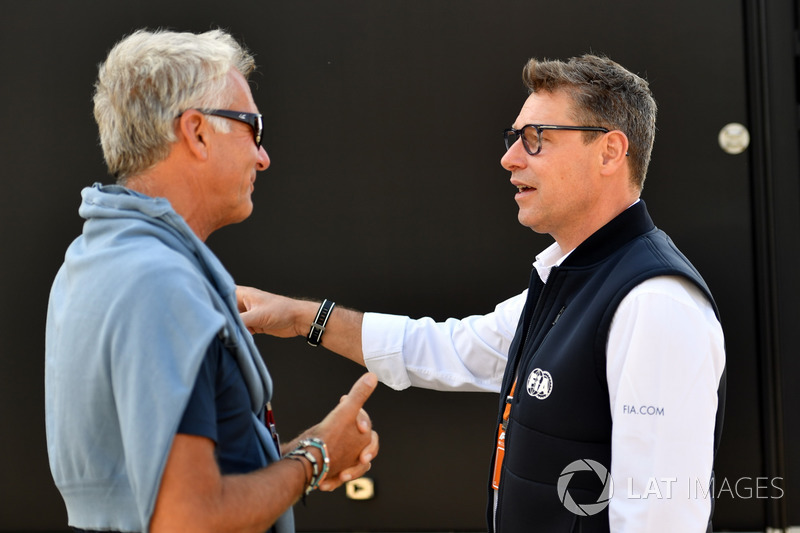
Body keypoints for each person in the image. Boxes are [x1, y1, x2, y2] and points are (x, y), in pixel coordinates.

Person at [236, 54, 726, 532]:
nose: (509, 157)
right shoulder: (568, 278)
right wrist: (301, 317)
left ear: (610, 151)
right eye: (514, 138)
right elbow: (446, 350)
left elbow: (661, 519)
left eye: (536, 139)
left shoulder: (654, 303)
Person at [44, 29, 378, 533]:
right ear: (197, 132)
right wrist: (316, 459)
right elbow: (188, 518)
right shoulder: (158, 283)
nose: (262, 157)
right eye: (253, 129)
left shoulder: (89, 262)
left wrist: (297, 457)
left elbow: (163, 489)